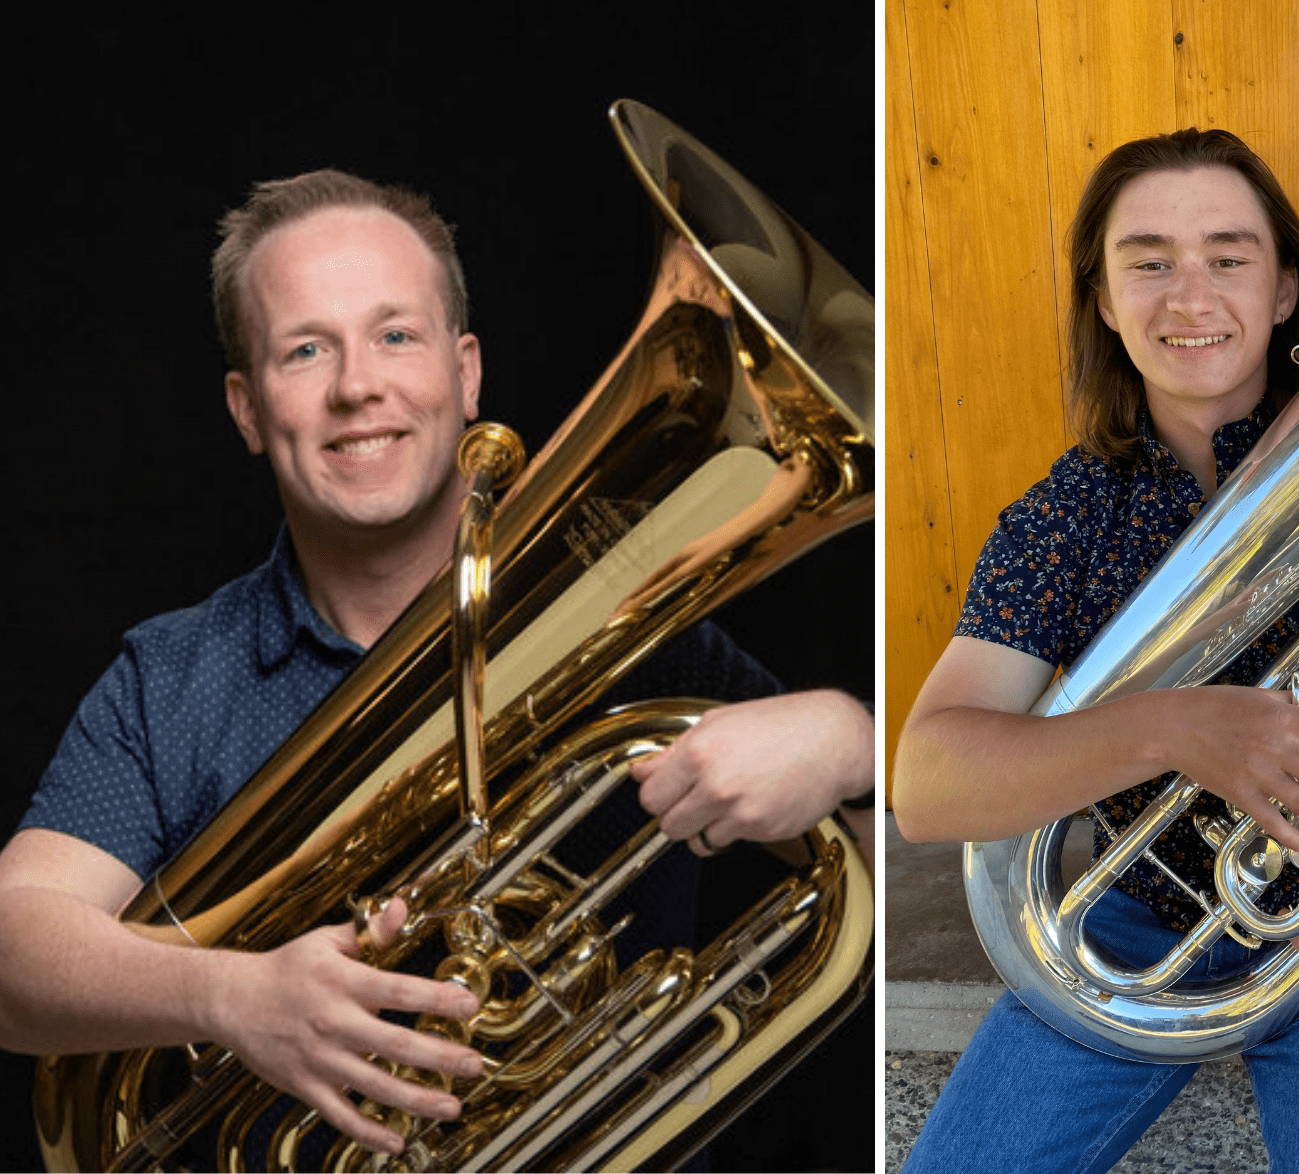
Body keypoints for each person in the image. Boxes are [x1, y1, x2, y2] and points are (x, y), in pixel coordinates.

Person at [0, 170, 874, 1160]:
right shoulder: (173, 678)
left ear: (465, 375)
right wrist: (229, 993)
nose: (356, 384)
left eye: (395, 335)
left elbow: (897, 875)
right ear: (246, 410)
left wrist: (855, 743)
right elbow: (13, 947)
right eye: (303, 349)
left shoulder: (648, 630)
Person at [891, 129, 1299, 1174]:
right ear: (1101, 298)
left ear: (1280, 293)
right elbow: (924, 784)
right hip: (1137, 933)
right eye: (1146, 260)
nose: (1188, 297)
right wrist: (1176, 728)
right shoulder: (1063, 518)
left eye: (1226, 258)